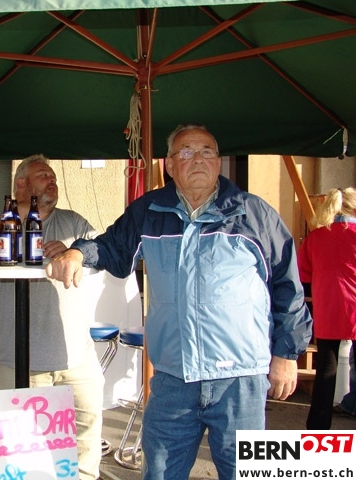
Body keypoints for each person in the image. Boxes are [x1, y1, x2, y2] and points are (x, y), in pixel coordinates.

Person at [46, 124, 312, 479]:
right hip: (173, 379)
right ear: (170, 165)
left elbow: (287, 286)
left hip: (240, 379)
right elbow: (111, 247)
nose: (198, 159)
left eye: (207, 151)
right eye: (186, 152)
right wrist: (78, 252)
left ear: (218, 161)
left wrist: (286, 355)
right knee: (160, 473)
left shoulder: (253, 214)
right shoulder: (149, 211)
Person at [0, 154, 104, 480]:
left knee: (84, 443)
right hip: (22, 358)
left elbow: (100, 251)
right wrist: (22, 210)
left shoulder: (73, 221)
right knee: (27, 453)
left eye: (53, 176)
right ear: (21, 183)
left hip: (76, 356)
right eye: (44, 175)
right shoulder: (1, 222)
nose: (53, 180)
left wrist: (73, 250)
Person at [297, 187, 356, 429]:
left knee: (326, 371)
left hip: (328, 308)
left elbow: (303, 274)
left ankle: (318, 427)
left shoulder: (316, 237)